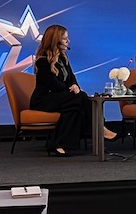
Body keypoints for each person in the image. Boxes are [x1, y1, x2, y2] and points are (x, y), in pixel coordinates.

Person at [31, 23, 113, 158]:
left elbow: (71, 77)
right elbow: (53, 84)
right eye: (65, 39)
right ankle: (100, 128)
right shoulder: (42, 61)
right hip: (44, 100)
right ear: (55, 41)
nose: (68, 41)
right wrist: (73, 90)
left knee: (74, 108)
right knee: (80, 97)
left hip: (62, 98)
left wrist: (75, 86)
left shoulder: (63, 58)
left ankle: (58, 145)